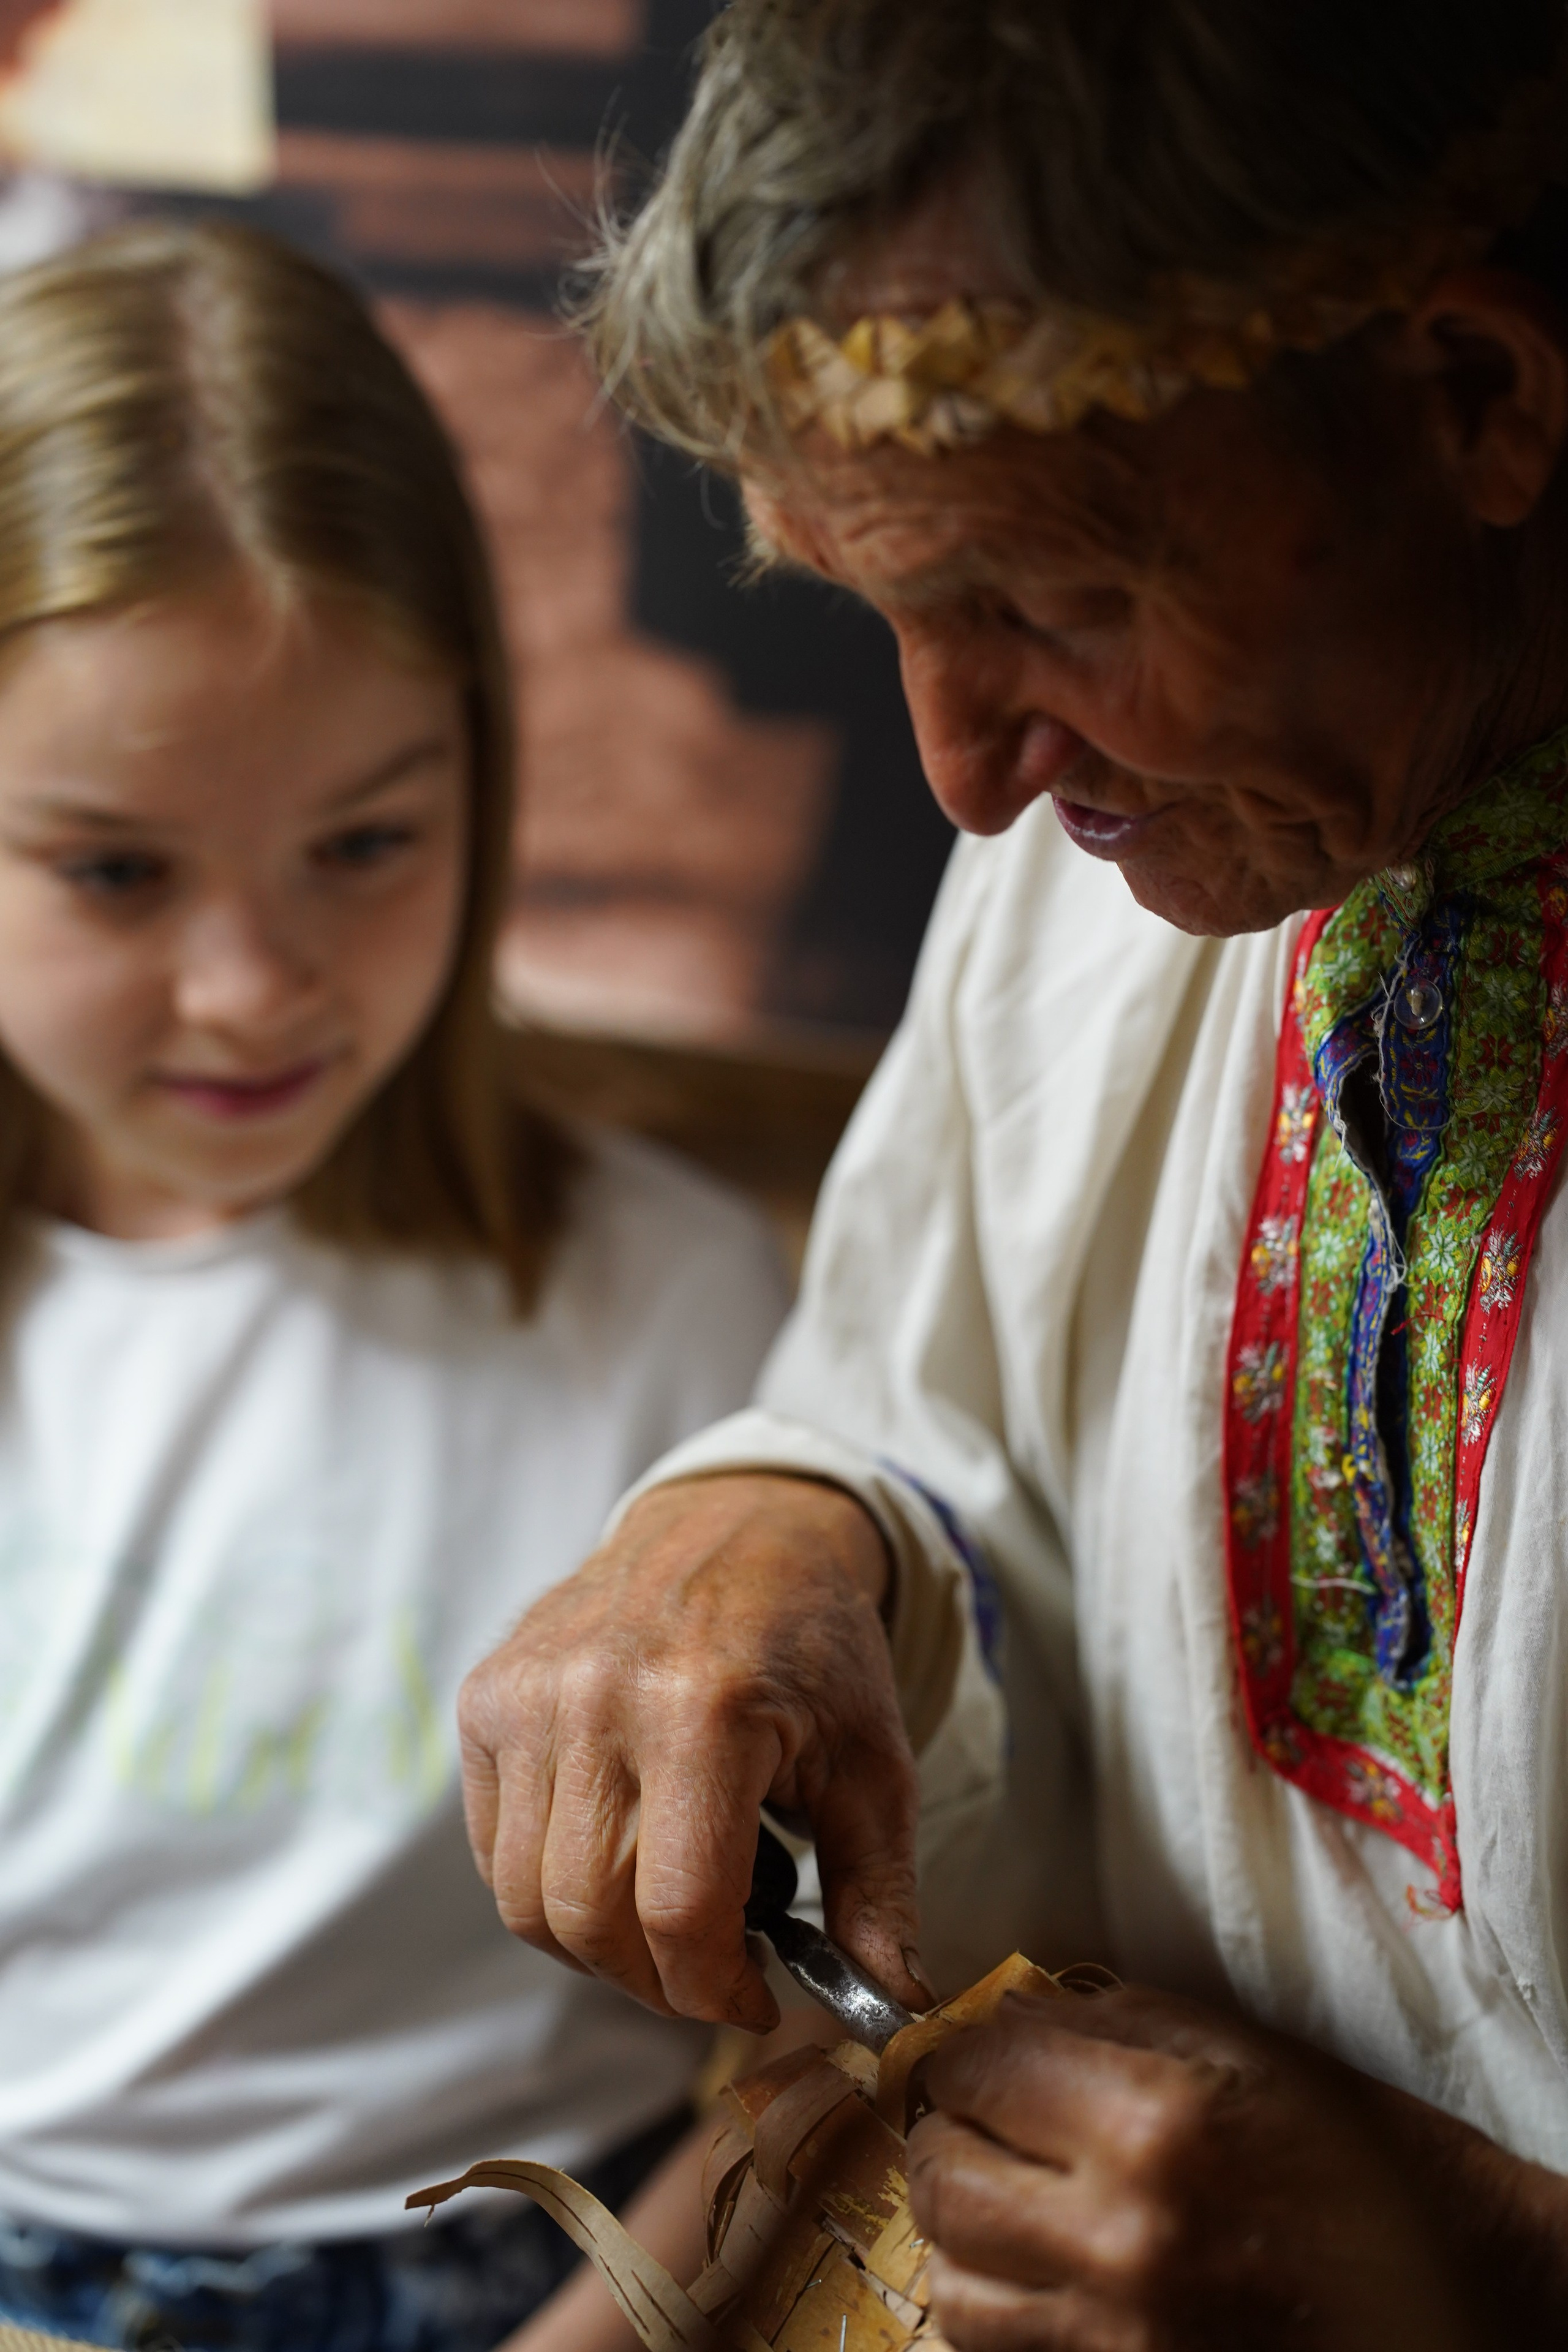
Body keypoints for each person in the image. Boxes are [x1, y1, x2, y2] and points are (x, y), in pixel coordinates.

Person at [456, 2, 1568, 2344]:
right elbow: (959, 1427)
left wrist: (1468, 2268)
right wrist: (781, 1522)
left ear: (1479, 402)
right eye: (879, 611)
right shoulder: (1150, 830)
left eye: (1053, 599)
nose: (959, 777)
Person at [0, 219, 791, 2352]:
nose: (253, 989)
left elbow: (846, 2025)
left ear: (482, 784)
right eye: (114, 870)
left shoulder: (693, 1321)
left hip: (544, 2277)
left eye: (363, 845)